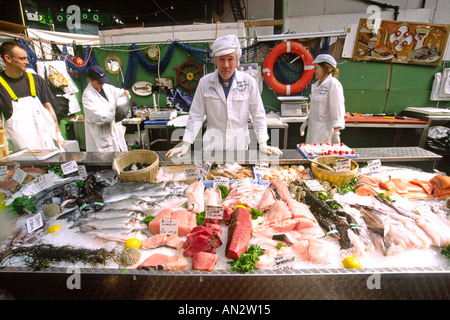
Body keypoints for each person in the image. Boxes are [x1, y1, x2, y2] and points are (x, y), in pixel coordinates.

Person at [166, 34, 282, 158]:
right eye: (221, 59)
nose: (225, 65)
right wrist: (185, 145)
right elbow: (196, 115)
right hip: (212, 149)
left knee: (238, 175)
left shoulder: (249, 82)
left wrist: (263, 143)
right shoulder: (205, 83)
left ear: (237, 61)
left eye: (230, 59)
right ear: (215, 61)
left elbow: (258, 115)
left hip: (240, 148)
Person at [0, 41, 64, 152]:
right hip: (23, 147)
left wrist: (57, 131)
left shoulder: (36, 79)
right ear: (8, 58)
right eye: (22, 59)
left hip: (47, 139)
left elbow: (49, 107)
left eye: (26, 58)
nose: (27, 62)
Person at [82, 65, 130, 152]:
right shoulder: (88, 96)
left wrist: (125, 93)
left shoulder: (106, 87)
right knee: (106, 163)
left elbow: (120, 93)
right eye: (99, 83)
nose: (102, 84)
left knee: (120, 160)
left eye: (103, 82)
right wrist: (117, 113)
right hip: (101, 139)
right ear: (91, 80)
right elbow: (101, 117)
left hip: (114, 133)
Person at [300, 54, 345, 144]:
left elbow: (337, 109)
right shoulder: (317, 85)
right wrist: (307, 120)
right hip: (313, 131)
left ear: (325, 67)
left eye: (316, 68)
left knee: (321, 157)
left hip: (325, 134)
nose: (314, 71)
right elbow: (318, 109)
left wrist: (336, 132)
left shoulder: (333, 84)